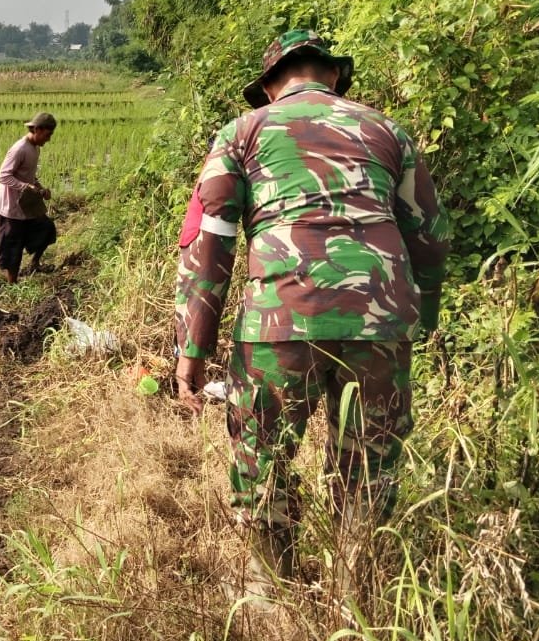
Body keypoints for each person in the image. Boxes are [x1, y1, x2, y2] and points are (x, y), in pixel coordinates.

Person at [173, 29, 451, 593]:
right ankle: (357, 594)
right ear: (333, 76)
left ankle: (269, 592)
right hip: (380, 319)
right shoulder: (386, 130)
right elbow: (431, 238)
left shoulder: (243, 132)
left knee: (264, 461)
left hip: (280, 321)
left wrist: (192, 351)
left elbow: (211, 243)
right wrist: (424, 316)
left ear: (270, 84)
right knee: (368, 471)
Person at [0, 112, 59, 283]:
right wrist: (25, 186)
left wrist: (39, 188)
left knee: (47, 229)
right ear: (37, 129)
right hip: (10, 208)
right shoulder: (19, 149)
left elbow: (28, 175)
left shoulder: (35, 148)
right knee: (12, 247)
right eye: (47, 135)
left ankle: (34, 263)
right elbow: (3, 176)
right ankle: (12, 283)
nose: (48, 139)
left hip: (25, 204)